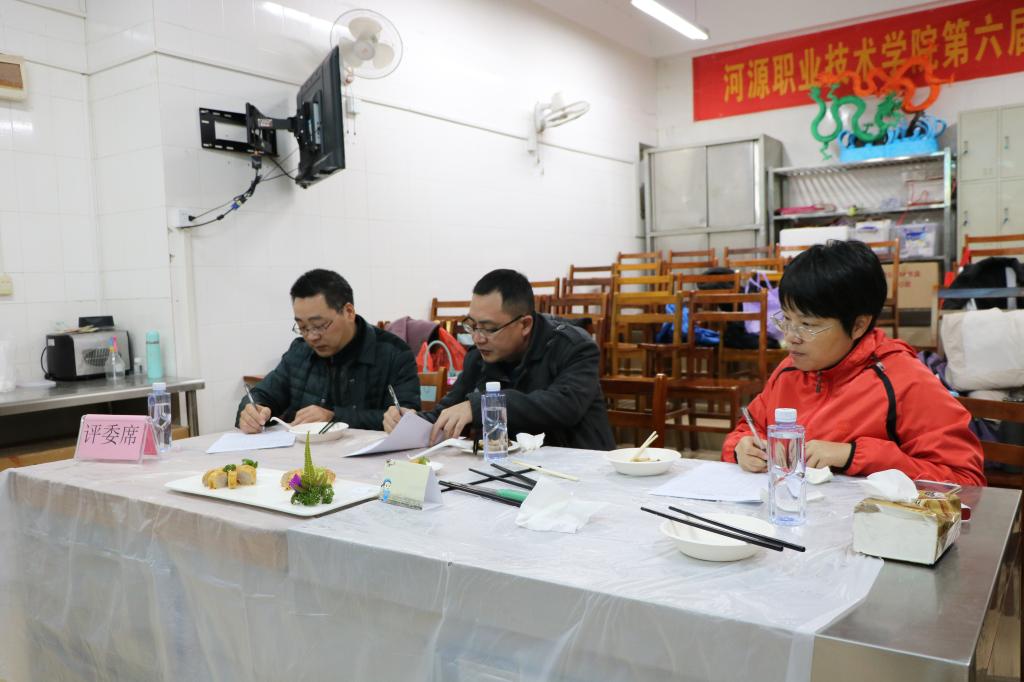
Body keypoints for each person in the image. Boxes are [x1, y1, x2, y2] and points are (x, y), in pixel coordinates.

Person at [723, 240, 985, 487]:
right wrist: (741, 447)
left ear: (858, 325)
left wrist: (853, 456)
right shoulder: (789, 371)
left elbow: (966, 481)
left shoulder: (904, 381)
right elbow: (749, 428)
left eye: (807, 325)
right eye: (787, 320)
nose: (790, 337)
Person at [384, 269, 615, 450]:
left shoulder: (574, 347)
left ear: (525, 324)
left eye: (489, 328)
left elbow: (565, 406)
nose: (477, 338)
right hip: (511, 470)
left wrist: (483, 405)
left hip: (579, 470)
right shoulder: (480, 356)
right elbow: (450, 411)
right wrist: (411, 421)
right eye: (472, 325)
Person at [237, 269, 420, 433]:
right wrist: (252, 411)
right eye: (303, 327)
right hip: (303, 457)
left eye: (319, 325)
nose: (311, 337)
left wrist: (335, 417)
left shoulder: (394, 354)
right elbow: (262, 395)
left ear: (349, 312)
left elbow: (406, 420)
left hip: (368, 458)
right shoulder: (299, 352)